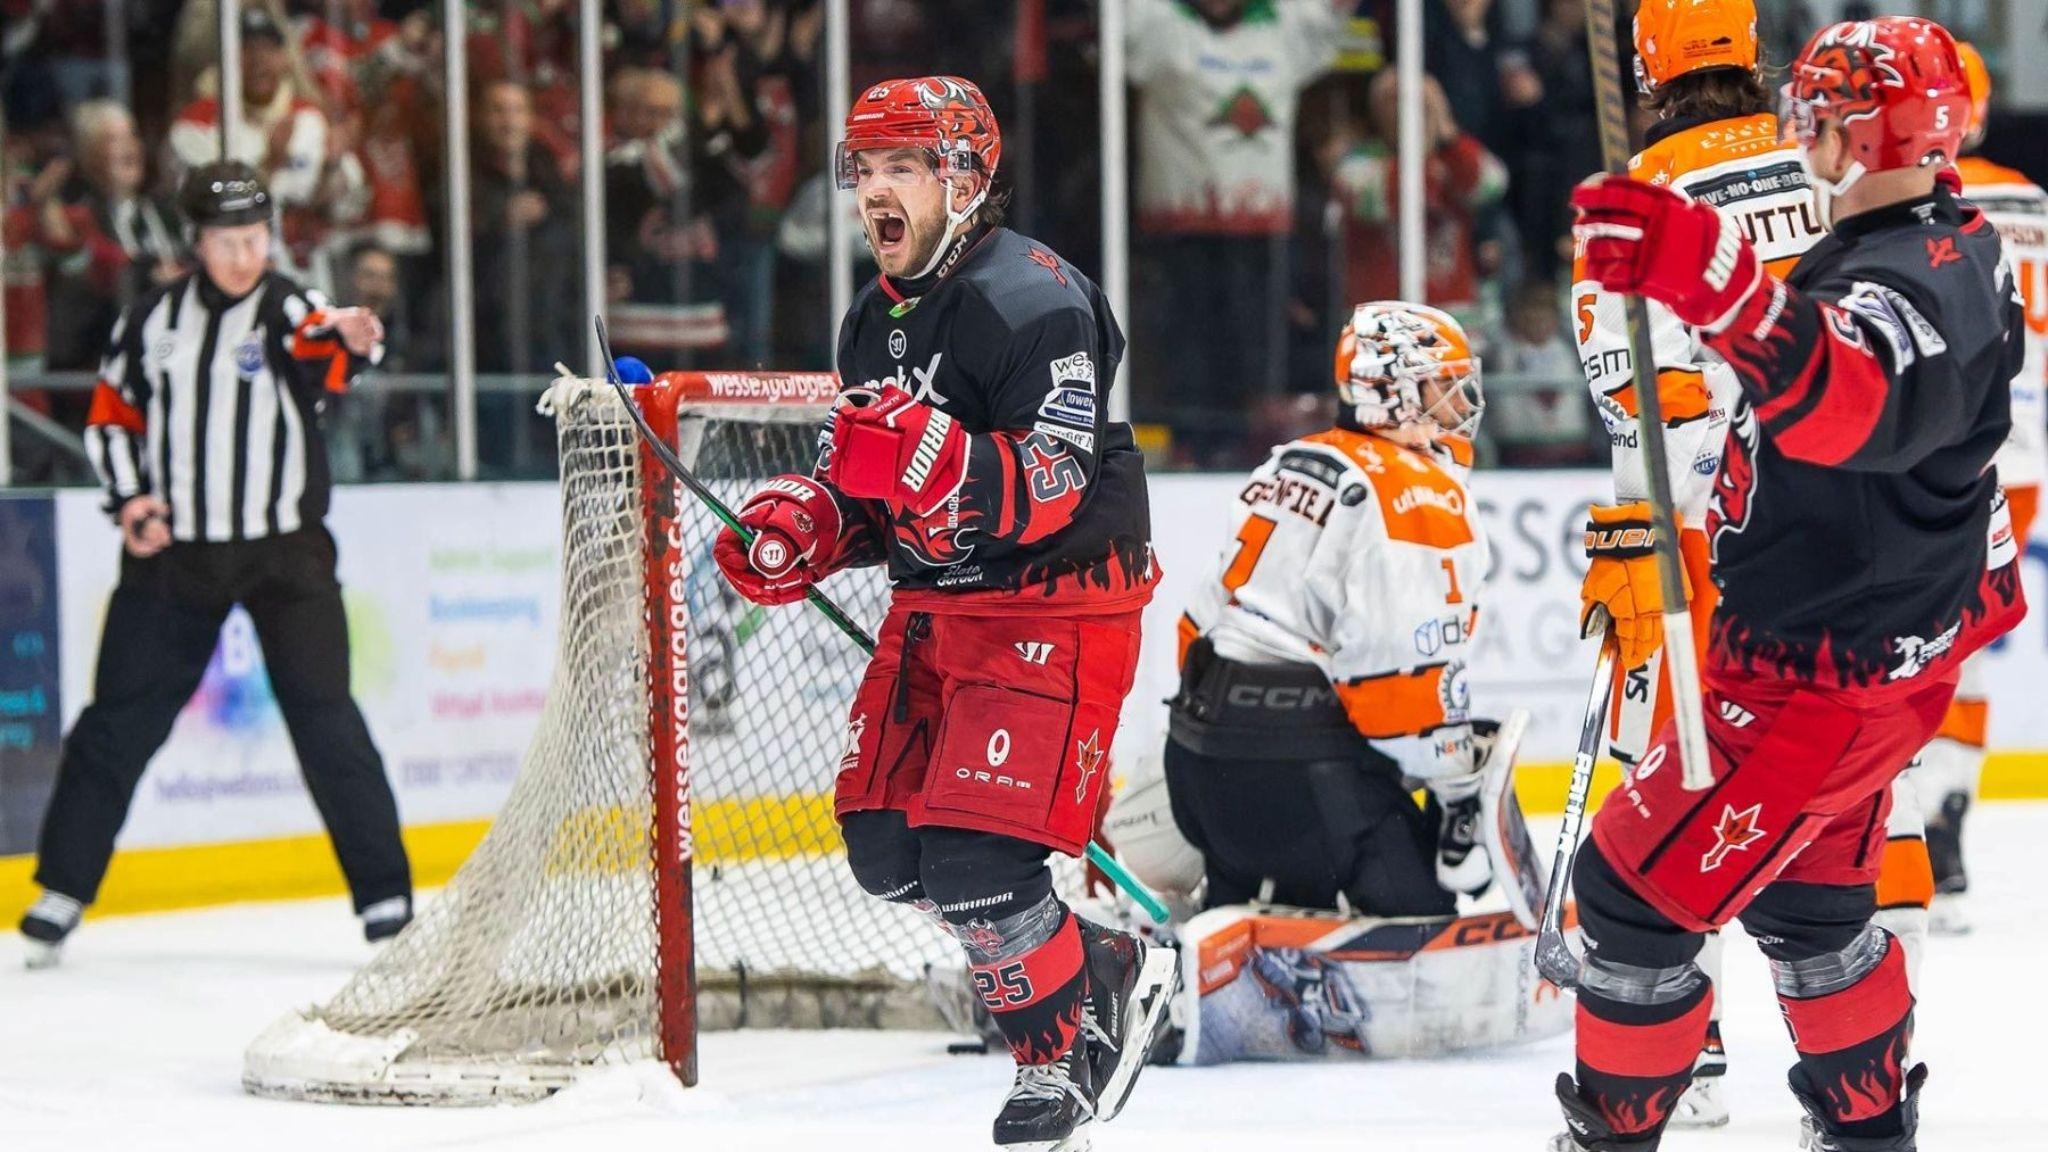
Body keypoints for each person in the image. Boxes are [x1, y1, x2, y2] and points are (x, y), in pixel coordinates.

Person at [1556, 17, 2025, 1151]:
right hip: (1874, 656)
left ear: (1855, 131)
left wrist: (1700, 273)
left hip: (1807, 676)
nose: (1792, 124)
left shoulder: (1912, 274)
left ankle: (1614, 1131)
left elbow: (1846, 398)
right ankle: (1866, 1134)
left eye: (1815, 110)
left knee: (1624, 894)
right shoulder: (1946, 236)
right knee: (1813, 909)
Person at [710, 76, 1176, 1150]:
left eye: (901, 168)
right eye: (863, 169)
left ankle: (1054, 1061)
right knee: (886, 850)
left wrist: (929, 455)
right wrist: (806, 528)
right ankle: (1094, 959)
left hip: (1053, 605)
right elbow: (870, 489)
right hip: (934, 609)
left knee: (977, 863)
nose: (874, 189)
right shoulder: (870, 322)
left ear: (961, 178)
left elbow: (1051, 481)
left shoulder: (1037, 299)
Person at [16, 162, 413, 968]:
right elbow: (111, 417)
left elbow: (322, 343)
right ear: (196, 243)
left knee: (325, 716)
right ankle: (61, 888)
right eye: (230, 241)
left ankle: (387, 900)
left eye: (258, 238)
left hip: (284, 554)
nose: (246, 255)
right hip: (178, 557)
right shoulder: (151, 322)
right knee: (117, 721)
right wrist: (131, 501)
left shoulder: (286, 306)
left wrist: (352, 338)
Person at [1163, 301, 1491, 916]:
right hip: (1305, 786)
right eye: (1443, 388)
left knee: (1251, 962)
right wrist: (1458, 793)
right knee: (1421, 942)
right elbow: (1395, 687)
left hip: (1197, 770)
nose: (1459, 407)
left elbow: (1196, 631)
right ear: (1390, 392)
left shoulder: (1292, 458)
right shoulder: (1421, 494)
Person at [1913, 41, 2047, 936]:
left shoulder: (1906, 192)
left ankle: (1907, 825)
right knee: (1968, 636)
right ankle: (1947, 813)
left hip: (1933, 442)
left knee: (1913, 630)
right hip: (2026, 446)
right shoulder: (2029, 197)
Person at [1126, 0, 1343, 462]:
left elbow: (1330, 16)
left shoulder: (1281, 25)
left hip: (1262, 227)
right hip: (1181, 226)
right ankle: (1192, 445)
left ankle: (1252, 444)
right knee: (1186, 341)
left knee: (1254, 343)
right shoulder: (1161, 21)